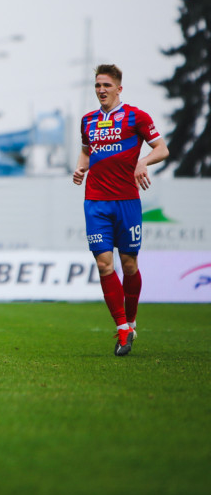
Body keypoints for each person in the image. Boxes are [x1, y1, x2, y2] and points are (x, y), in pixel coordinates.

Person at [72, 64, 168, 357]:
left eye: (106, 85)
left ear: (118, 88)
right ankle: (122, 327)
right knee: (104, 264)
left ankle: (132, 317)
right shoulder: (88, 120)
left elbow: (162, 148)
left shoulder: (136, 117)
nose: (101, 90)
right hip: (96, 202)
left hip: (127, 201)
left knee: (129, 265)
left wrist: (143, 162)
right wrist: (80, 168)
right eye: (98, 85)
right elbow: (87, 151)